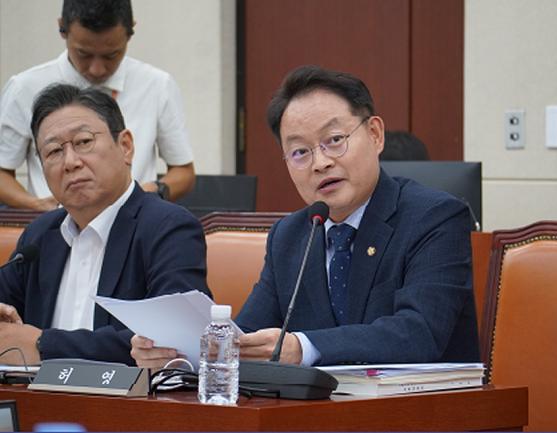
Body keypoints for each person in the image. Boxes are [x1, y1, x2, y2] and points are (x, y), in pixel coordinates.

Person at [131, 65, 479, 367]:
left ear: (375, 135)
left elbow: (419, 333)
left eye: (335, 139)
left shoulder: (435, 218)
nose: (320, 162)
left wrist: (303, 348)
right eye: (300, 152)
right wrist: (181, 351)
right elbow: (249, 336)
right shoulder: (291, 235)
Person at [0, 84, 209, 366]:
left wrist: (42, 344)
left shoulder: (168, 228)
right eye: (53, 151)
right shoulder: (38, 236)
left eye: (84, 142)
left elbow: (174, 338)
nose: (70, 162)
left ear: (125, 146)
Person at [0, 0, 195, 211]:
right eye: (84, 54)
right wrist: (38, 206)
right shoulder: (24, 88)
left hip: (135, 222)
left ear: (130, 31)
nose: (97, 69)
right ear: (62, 28)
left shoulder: (157, 85)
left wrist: (150, 192)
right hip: (56, 223)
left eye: (111, 55)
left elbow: (183, 171)